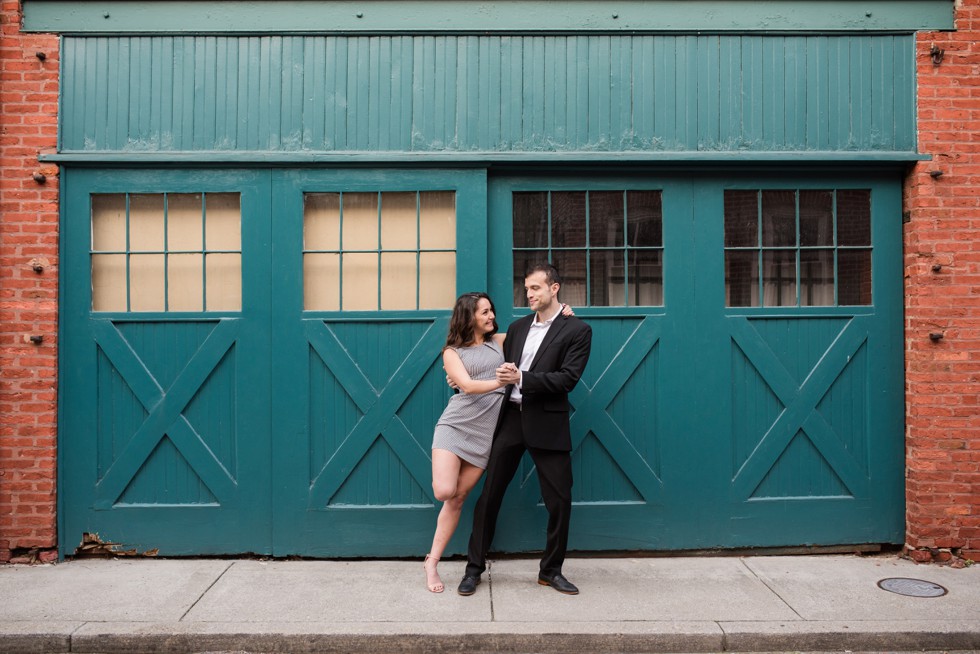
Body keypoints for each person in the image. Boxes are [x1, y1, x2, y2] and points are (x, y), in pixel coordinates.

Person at [424, 292, 573, 593]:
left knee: (459, 498)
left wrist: (562, 312)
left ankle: (432, 561)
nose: (491, 316)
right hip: (456, 425)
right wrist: (505, 382)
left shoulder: (501, 341)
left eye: (491, 311)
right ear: (468, 317)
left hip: (484, 435)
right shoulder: (452, 352)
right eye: (484, 313)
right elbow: (465, 385)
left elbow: (537, 332)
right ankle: (436, 562)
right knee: (444, 491)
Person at [457, 262, 592, 597]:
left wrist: (523, 378)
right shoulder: (517, 329)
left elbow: (568, 379)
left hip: (548, 421)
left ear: (554, 288)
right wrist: (457, 376)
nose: (528, 294)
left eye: (535, 288)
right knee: (488, 498)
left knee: (560, 501)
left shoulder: (577, 330)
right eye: (527, 288)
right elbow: (479, 351)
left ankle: (550, 571)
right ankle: (473, 570)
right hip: (512, 419)